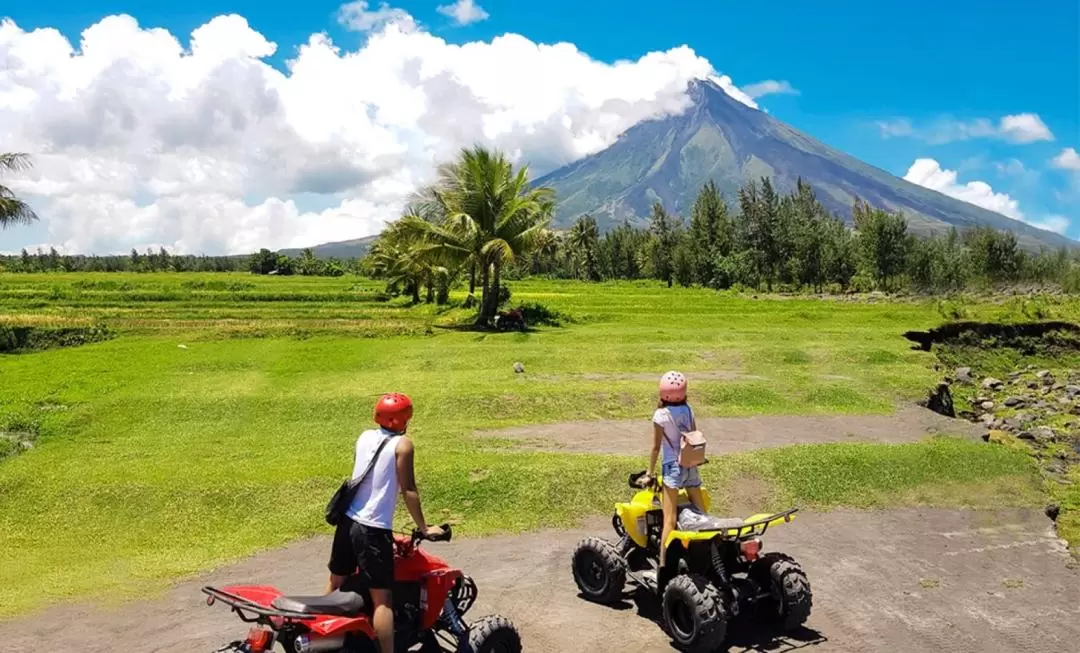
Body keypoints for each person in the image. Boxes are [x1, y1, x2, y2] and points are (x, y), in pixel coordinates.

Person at [326, 392, 444, 653]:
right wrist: (425, 528)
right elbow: (408, 489)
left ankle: (323, 640)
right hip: (373, 528)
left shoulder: (364, 437)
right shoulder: (403, 445)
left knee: (336, 583)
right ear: (401, 420)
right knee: (383, 600)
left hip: (347, 522)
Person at [645, 371, 706, 566]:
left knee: (668, 521)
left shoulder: (660, 415)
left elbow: (655, 447)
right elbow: (694, 435)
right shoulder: (688, 409)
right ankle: (705, 555)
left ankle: (663, 564)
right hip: (691, 465)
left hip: (672, 469)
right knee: (702, 514)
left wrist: (649, 473)